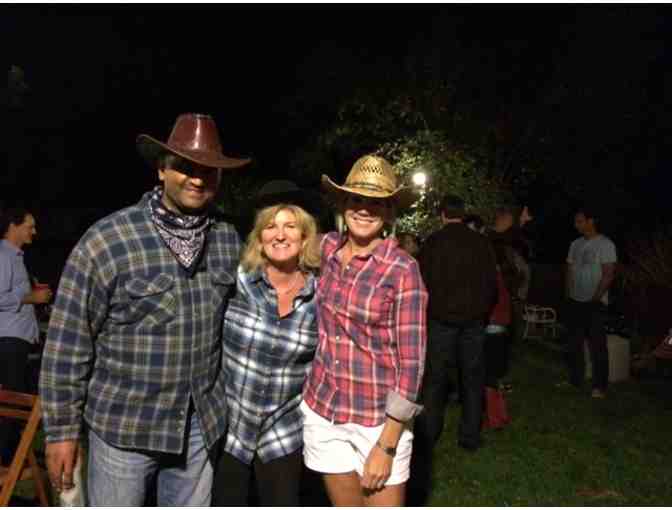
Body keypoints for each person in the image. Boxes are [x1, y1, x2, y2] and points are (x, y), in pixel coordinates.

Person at [39, 113, 250, 506]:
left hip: (198, 426)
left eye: (208, 171)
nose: (198, 179)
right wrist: (61, 432)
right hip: (124, 428)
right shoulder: (108, 240)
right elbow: (68, 343)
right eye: (185, 167)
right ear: (161, 170)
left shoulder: (227, 239)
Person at [301, 154, 427, 507]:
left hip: (377, 421)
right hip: (324, 409)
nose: (364, 210)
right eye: (356, 199)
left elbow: (412, 366)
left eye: (376, 203)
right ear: (343, 204)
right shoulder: (326, 248)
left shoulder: (402, 270)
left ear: (389, 212)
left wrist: (387, 445)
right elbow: (279, 242)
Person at [212, 184, 321, 506]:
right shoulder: (237, 281)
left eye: (291, 226)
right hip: (230, 425)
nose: (280, 235)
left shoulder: (321, 294)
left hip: (283, 430)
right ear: (259, 238)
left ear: (305, 238)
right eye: (271, 226)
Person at [416, 194, 497, 452]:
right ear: (462, 213)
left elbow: (421, 282)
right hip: (473, 321)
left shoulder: (432, 243)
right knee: (472, 378)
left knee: (435, 379)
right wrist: (482, 312)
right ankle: (470, 436)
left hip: (440, 320)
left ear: (442, 214)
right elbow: (491, 283)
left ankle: (429, 434)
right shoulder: (481, 243)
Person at [0, 207, 52, 463]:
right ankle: (6, 458)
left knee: (15, 399)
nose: (34, 231)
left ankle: (11, 453)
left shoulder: (16, 258)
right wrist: (32, 297)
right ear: (14, 226)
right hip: (8, 339)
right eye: (29, 226)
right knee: (13, 401)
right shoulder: (4, 256)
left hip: (18, 339)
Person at [560, 205, 617, 399]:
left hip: (595, 303)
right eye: (575, 221)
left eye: (580, 221)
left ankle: (599, 387)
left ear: (591, 221)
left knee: (597, 346)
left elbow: (608, 274)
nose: (576, 225)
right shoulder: (575, 244)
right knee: (573, 344)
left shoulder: (605, 244)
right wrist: (568, 294)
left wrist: (596, 298)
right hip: (575, 301)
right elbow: (569, 270)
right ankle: (575, 380)